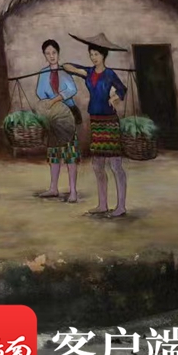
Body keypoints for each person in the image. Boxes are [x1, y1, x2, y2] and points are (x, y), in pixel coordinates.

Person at [63, 33, 129, 218]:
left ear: (104, 56)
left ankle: (121, 206)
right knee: (97, 165)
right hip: (96, 121)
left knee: (115, 165)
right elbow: (67, 66)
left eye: (96, 54)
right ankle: (102, 204)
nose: (93, 57)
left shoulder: (109, 74)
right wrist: (78, 69)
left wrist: (114, 98)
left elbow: (122, 89)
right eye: (91, 54)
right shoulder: (89, 72)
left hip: (109, 121)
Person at [34, 39, 81, 203]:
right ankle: (53, 188)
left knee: (70, 153)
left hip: (67, 115)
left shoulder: (64, 71)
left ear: (58, 53)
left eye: (54, 52)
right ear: (44, 55)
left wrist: (55, 99)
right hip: (52, 116)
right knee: (53, 152)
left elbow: (72, 90)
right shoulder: (43, 73)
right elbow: (40, 92)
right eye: (48, 53)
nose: (51, 56)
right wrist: (50, 104)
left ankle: (73, 191)